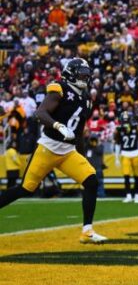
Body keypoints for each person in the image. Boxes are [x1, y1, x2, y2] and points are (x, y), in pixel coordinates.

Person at [0, 58, 107, 244]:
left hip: (68, 152)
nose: (85, 78)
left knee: (91, 181)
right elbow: (40, 113)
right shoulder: (59, 88)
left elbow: (79, 133)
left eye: (87, 75)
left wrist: (81, 156)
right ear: (71, 73)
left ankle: (87, 231)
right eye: (81, 74)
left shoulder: (86, 100)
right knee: (25, 188)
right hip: (48, 148)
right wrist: (58, 125)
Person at [85, 133, 105, 198]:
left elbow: (100, 151)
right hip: (89, 168)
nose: (93, 141)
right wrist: (89, 141)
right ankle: (91, 195)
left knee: (100, 182)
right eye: (92, 139)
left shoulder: (100, 146)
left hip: (98, 167)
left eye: (94, 139)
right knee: (90, 182)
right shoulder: (87, 147)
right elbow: (84, 145)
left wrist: (97, 143)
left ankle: (101, 195)